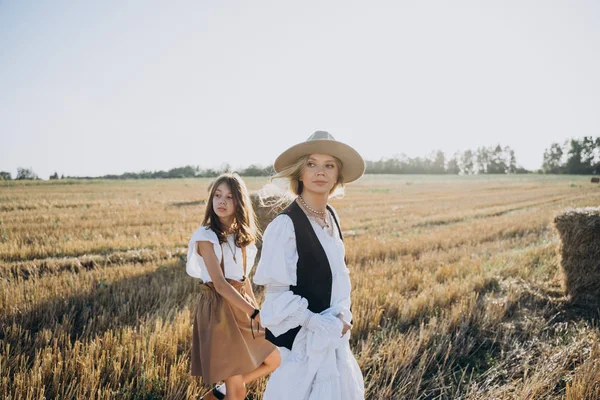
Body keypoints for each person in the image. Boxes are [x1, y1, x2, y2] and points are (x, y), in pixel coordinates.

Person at [253, 131, 365, 400]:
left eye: (329, 165)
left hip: (335, 341)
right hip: (303, 346)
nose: (320, 172)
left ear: (337, 176)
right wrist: (319, 323)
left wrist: (340, 317)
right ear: (299, 173)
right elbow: (277, 298)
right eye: (311, 164)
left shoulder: (332, 216)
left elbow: (338, 277)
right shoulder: (285, 225)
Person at [186, 173, 280, 400]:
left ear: (240, 201)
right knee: (237, 392)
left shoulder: (242, 236)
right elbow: (220, 284)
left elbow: (243, 279)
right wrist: (253, 312)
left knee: (274, 359)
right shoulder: (205, 236)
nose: (221, 201)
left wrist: (257, 312)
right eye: (217, 195)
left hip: (241, 308)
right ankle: (229, 389)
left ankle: (220, 392)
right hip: (219, 312)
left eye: (229, 196)